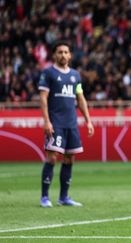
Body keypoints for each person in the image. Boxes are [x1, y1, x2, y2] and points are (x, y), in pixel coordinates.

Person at [38, 40, 94, 208]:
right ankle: (45, 197)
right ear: (55, 55)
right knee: (52, 157)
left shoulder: (75, 75)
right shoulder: (48, 73)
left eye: (65, 52)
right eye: (60, 52)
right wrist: (47, 121)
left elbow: (80, 98)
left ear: (70, 55)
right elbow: (43, 98)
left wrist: (88, 120)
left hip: (72, 124)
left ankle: (64, 197)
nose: (63, 55)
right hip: (56, 123)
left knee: (70, 159)